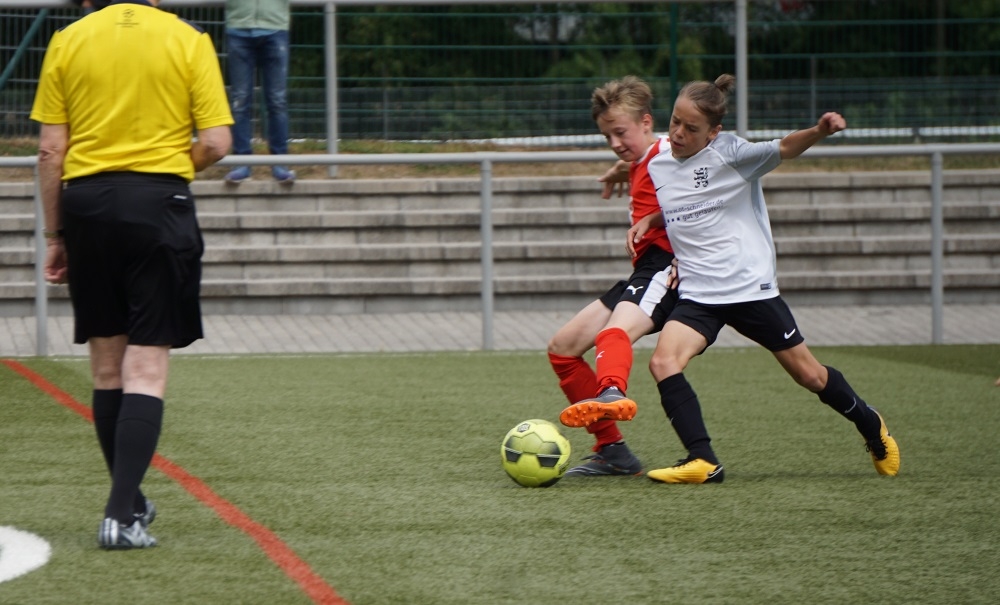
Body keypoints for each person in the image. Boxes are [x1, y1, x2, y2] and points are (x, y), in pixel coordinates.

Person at [561, 74, 900, 483]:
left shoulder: (733, 153)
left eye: (691, 128)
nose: (678, 133)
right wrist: (651, 216)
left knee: (809, 375)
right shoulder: (662, 161)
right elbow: (681, 199)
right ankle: (703, 460)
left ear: (713, 132)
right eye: (675, 122)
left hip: (748, 289)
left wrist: (819, 131)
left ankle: (870, 423)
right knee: (664, 362)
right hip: (699, 292)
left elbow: (785, 147)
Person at [31, 0, 232, 548]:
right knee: (145, 370)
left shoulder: (68, 39)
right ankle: (120, 516)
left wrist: (55, 235)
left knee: (106, 371)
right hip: (158, 203)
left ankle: (132, 502)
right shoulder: (187, 38)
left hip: (87, 205)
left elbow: (50, 151)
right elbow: (217, 142)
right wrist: (172, 165)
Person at [548, 76, 678, 476]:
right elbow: (642, 160)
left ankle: (611, 390)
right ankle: (613, 452)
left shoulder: (669, 155)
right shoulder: (645, 159)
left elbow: (702, 197)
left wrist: (685, 255)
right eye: (607, 136)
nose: (615, 142)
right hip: (644, 270)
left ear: (645, 121)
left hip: (666, 267)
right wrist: (625, 167)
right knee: (563, 348)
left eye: (620, 132)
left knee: (613, 333)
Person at [223, 0, 295, 184]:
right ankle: (241, 162)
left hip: (275, 27)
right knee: (240, 101)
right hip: (239, 27)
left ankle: (280, 163)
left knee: (277, 101)